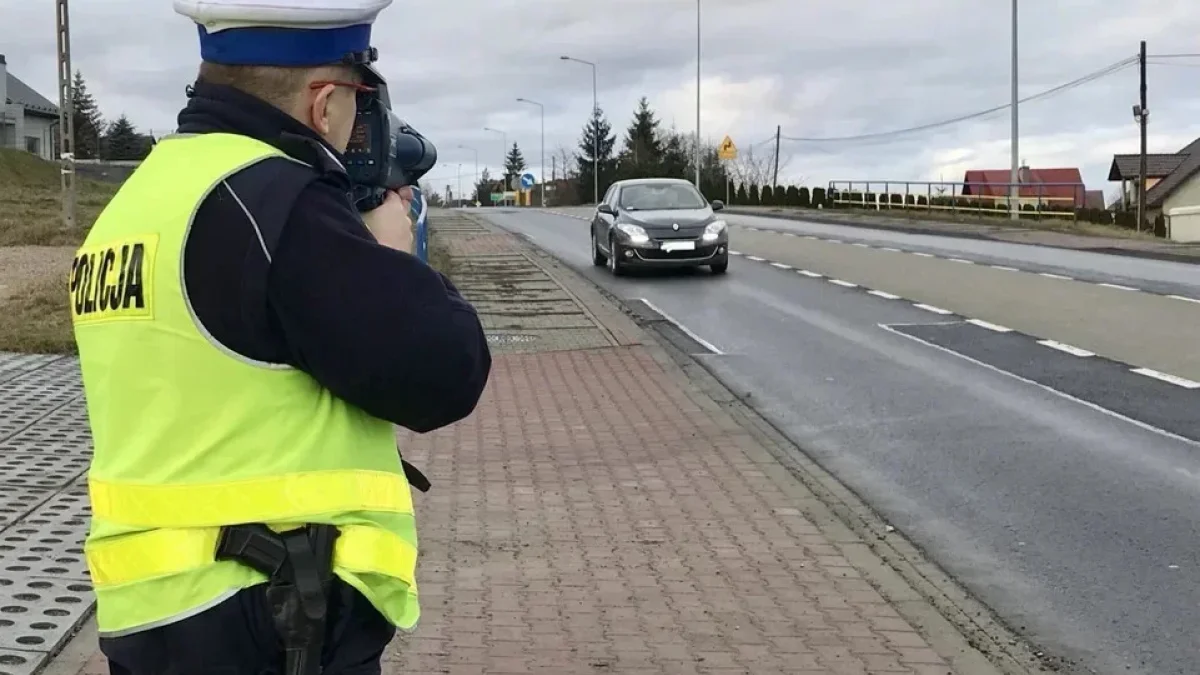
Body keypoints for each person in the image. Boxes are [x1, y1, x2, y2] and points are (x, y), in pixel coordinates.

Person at [67, 0, 492, 672]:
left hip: (152, 616)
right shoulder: (277, 202)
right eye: (359, 100)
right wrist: (390, 257)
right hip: (271, 616)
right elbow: (445, 369)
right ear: (324, 103)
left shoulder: (141, 201)